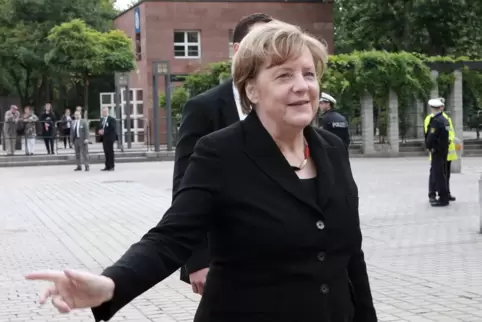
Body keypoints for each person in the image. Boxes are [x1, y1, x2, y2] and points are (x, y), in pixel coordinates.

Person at [25, 21, 377, 322]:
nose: (302, 86)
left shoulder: (331, 149)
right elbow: (171, 237)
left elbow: (351, 255)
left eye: (309, 74)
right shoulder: (221, 152)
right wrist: (112, 284)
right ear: (251, 89)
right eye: (284, 75)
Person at [173, 12, 273, 293]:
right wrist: (196, 259)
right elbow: (185, 186)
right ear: (238, 51)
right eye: (262, 44)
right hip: (226, 256)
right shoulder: (204, 108)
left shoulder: (287, 106)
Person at [423, 97, 456, 203]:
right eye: (440, 105)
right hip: (438, 149)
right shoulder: (431, 118)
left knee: (445, 173)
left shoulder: (446, 118)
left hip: (447, 149)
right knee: (435, 173)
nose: (442, 107)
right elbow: (429, 134)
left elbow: (451, 132)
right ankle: (432, 194)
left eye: (442, 105)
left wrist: (450, 140)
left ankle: (446, 193)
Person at [97, 107, 116, 171]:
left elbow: (112, 128)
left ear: (108, 112)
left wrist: (104, 131)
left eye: (105, 111)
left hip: (110, 138)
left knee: (110, 152)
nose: (104, 113)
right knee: (106, 152)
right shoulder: (102, 119)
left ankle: (112, 166)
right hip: (104, 138)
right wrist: (99, 131)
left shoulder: (112, 119)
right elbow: (99, 127)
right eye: (103, 111)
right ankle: (107, 166)